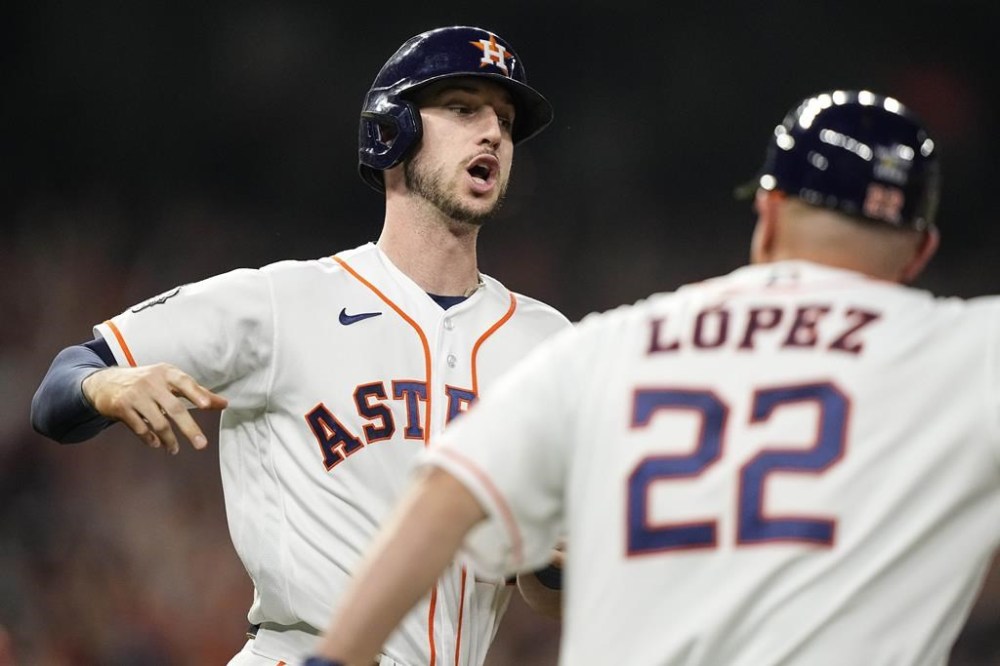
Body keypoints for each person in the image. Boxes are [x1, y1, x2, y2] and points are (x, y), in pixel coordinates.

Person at [304, 90, 1000, 666]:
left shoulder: (614, 342)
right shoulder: (965, 351)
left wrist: (330, 661)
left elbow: (446, 491)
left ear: (769, 214)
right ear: (921, 252)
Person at [30, 25, 571, 666]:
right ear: (392, 130)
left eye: (505, 122)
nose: (492, 134)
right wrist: (107, 383)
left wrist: (552, 559)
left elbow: (549, 594)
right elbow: (57, 392)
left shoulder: (548, 342)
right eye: (462, 108)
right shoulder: (285, 303)